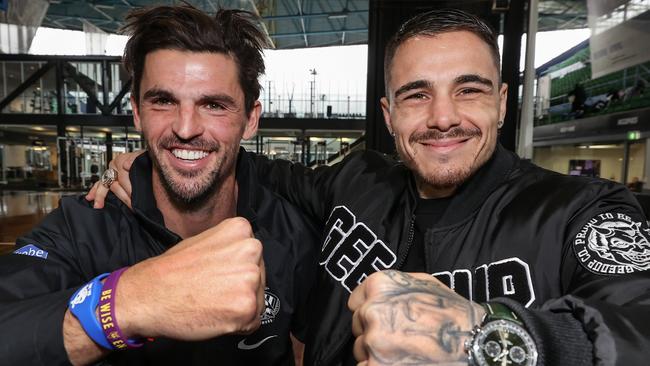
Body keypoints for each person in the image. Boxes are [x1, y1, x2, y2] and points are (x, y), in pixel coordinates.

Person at [90, 9, 650, 366]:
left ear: (503, 102)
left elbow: (639, 327)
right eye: (416, 95)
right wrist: (155, 153)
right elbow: (244, 163)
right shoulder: (357, 180)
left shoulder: (581, 210)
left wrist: (494, 337)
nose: (443, 117)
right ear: (387, 112)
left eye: (470, 91)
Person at [0, 5, 317, 366]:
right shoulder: (86, 227)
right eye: (164, 101)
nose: (185, 128)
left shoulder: (293, 230)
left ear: (250, 120)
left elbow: (306, 347)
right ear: (137, 112)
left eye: (213, 105)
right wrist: (127, 302)